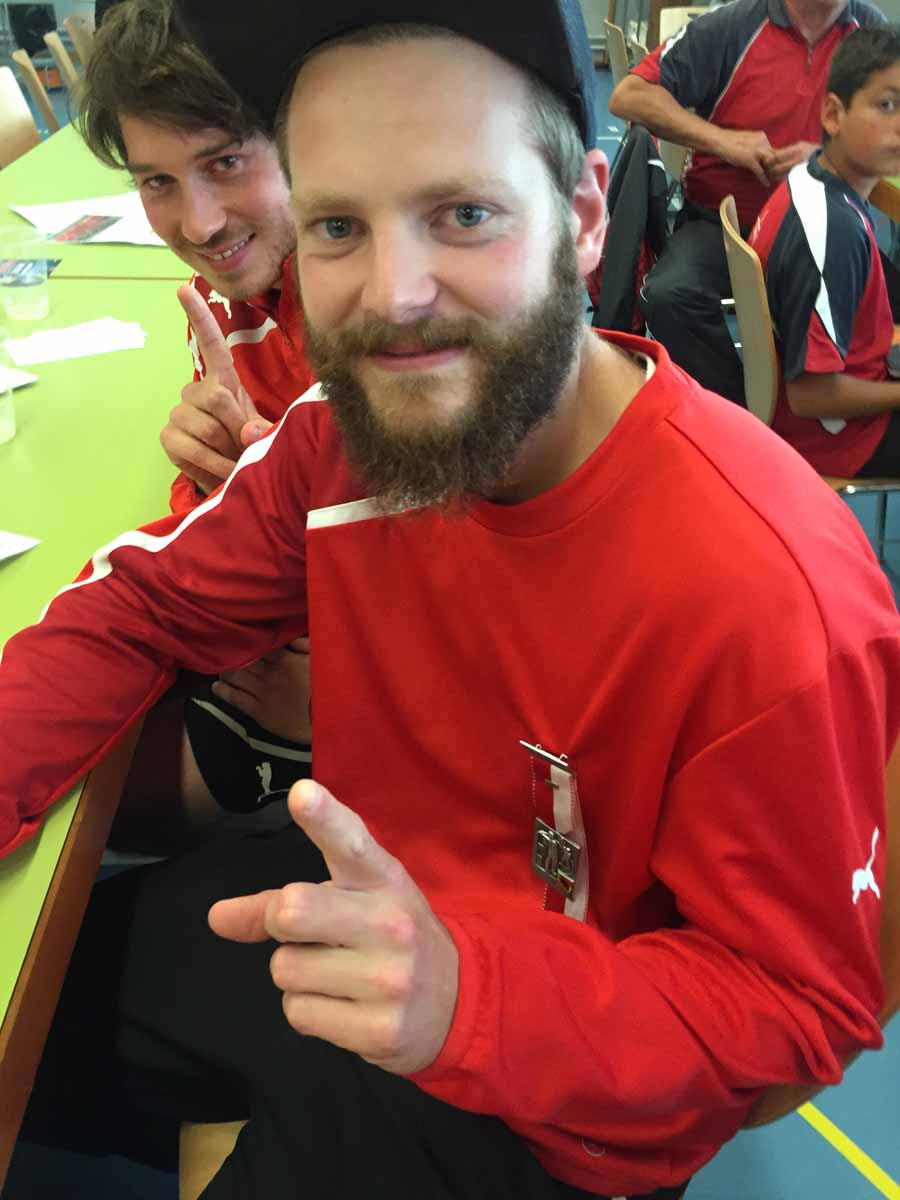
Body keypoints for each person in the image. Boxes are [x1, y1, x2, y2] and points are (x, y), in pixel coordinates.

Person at [3, 2, 900, 1197]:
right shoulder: (341, 436)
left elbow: (791, 1009)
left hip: (549, 1100)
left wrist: (466, 999)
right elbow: (139, 608)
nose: (395, 296)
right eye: (339, 225)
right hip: (364, 893)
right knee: (36, 1022)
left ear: (583, 216)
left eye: (463, 214)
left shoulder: (767, 591)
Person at [77, 0, 317, 844]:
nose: (199, 222)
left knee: (100, 803)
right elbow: (228, 527)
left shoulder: (369, 309)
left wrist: (353, 698)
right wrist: (214, 470)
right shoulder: (232, 289)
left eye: (226, 161)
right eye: (157, 182)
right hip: (277, 629)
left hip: (367, 707)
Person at [608, 0, 884, 407]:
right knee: (669, 295)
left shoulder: (871, 31)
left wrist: (829, 155)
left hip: (826, 232)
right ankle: (738, 415)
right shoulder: (733, 26)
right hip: (721, 227)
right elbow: (628, 95)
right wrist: (723, 141)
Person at [750, 25, 900, 476]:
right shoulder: (834, 233)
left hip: (844, 388)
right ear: (833, 115)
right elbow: (811, 396)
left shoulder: (811, 177)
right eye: (887, 105)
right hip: (838, 439)